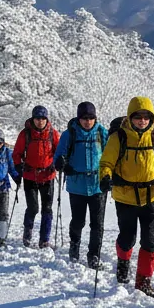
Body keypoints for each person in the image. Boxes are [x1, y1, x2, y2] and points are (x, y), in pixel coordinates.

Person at [99, 97, 154, 297]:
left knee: (149, 241)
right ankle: (123, 264)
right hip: (125, 197)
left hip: (151, 197)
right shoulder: (118, 138)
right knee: (127, 238)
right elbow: (106, 163)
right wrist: (105, 177)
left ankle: (143, 281)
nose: (142, 121)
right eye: (138, 117)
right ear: (130, 117)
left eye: (146, 117)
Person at [55, 101, 108, 267]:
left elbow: (110, 156)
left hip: (97, 185)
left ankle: (94, 256)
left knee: (97, 224)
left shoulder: (102, 133)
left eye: (91, 118)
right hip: (77, 185)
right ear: (79, 118)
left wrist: (109, 175)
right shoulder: (69, 134)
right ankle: (74, 248)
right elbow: (58, 156)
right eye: (84, 118)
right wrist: (62, 164)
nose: (88, 121)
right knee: (78, 221)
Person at [14, 105, 61, 248]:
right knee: (33, 207)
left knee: (47, 208)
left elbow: (59, 152)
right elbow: (16, 153)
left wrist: (60, 162)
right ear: (33, 119)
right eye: (37, 118)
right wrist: (18, 166)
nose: (40, 121)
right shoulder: (25, 134)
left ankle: (44, 239)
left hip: (48, 176)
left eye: (43, 118)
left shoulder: (53, 134)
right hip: (30, 176)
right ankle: (27, 234)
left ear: (46, 119)